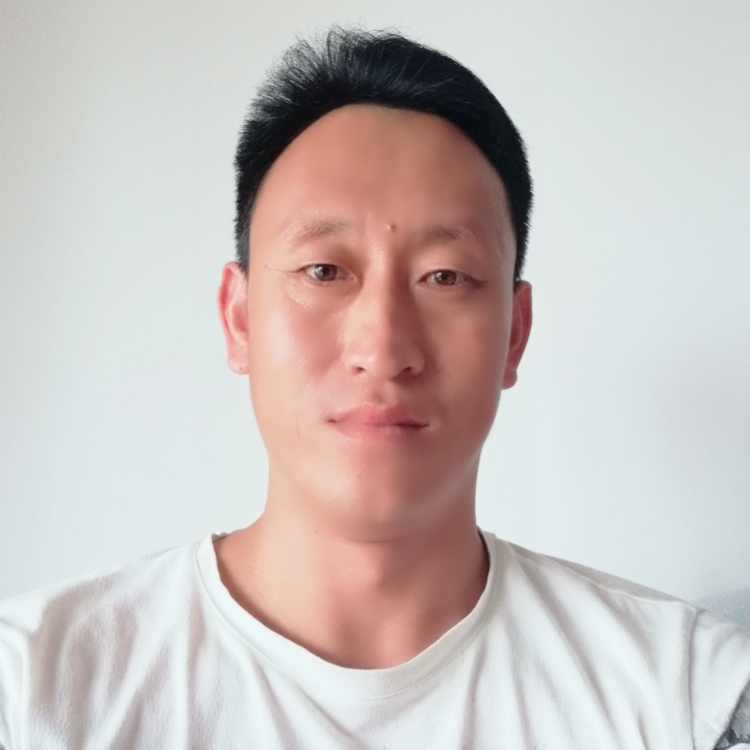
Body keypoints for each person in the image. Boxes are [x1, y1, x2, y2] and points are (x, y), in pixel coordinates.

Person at [0, 26, 749, 750]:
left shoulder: (691, 699)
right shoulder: (33, 690)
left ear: (514, 333)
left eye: (445, 277)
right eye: (324, 270)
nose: (384, 349)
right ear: (239, 319)